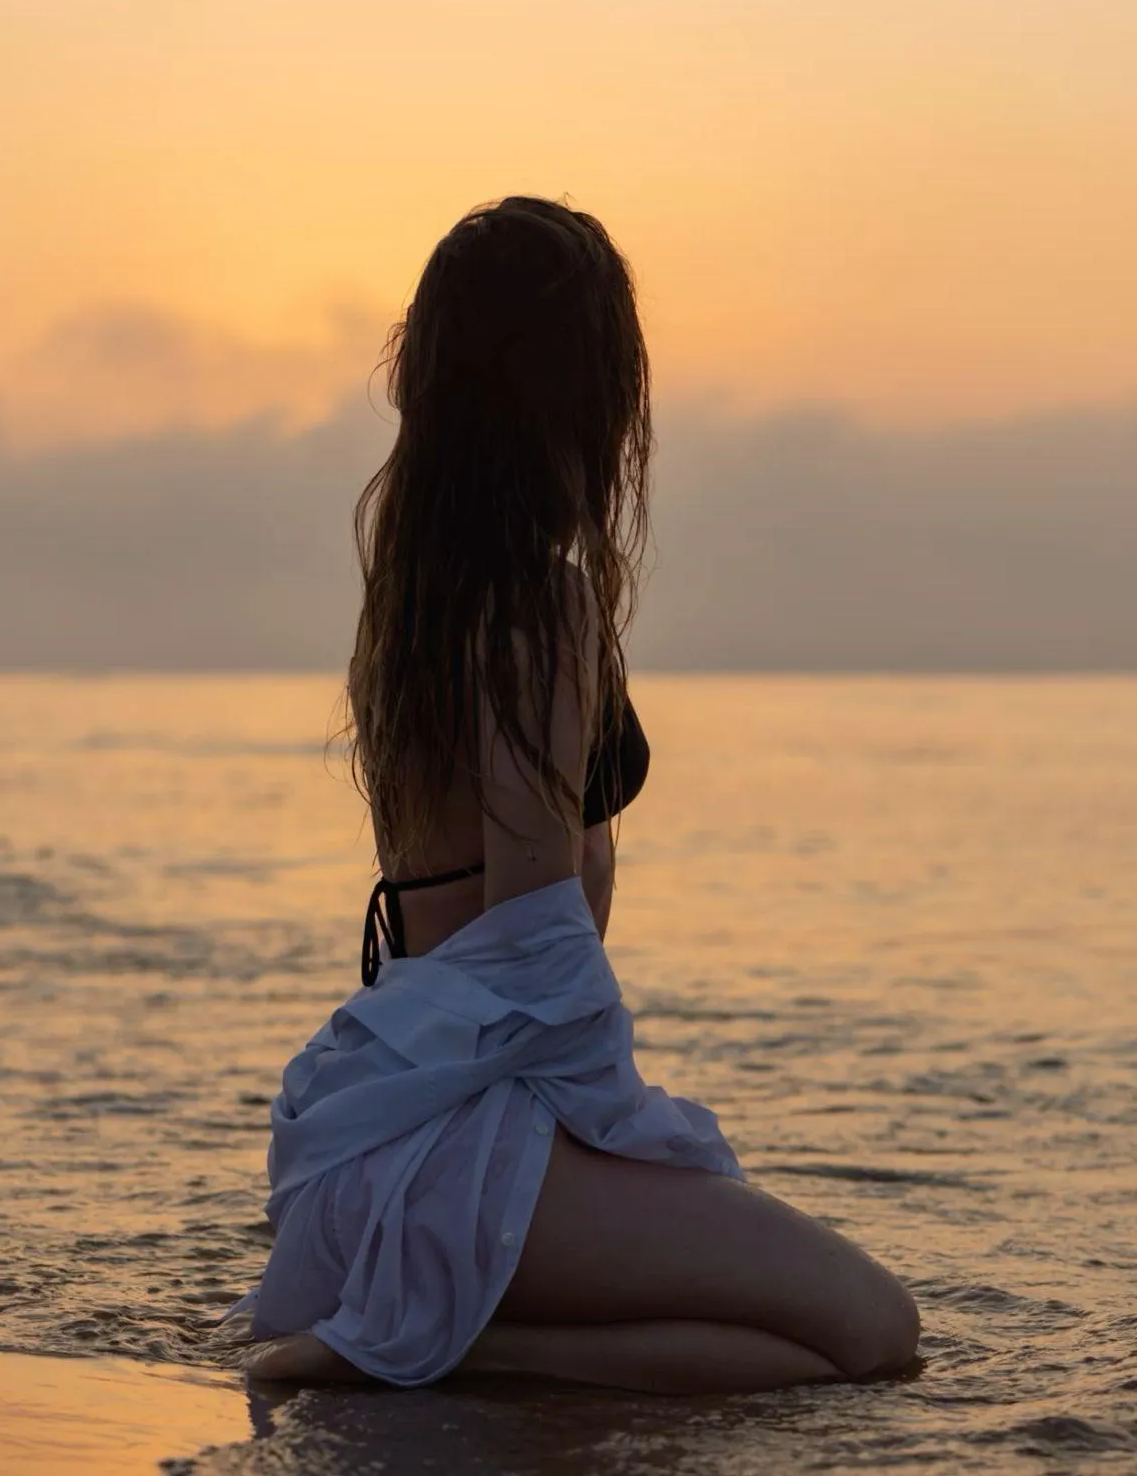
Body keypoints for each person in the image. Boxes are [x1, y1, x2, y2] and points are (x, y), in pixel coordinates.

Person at [234, 195, 920, 1394]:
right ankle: (411, 1347)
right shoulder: (535, 607)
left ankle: (425, 1336)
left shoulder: (414, 602)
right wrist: (618, 1123)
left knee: (811, 1336)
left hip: (390, 1133)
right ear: (581, 396)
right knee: (874, 1330)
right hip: (462, 1147)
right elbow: (534, 928)